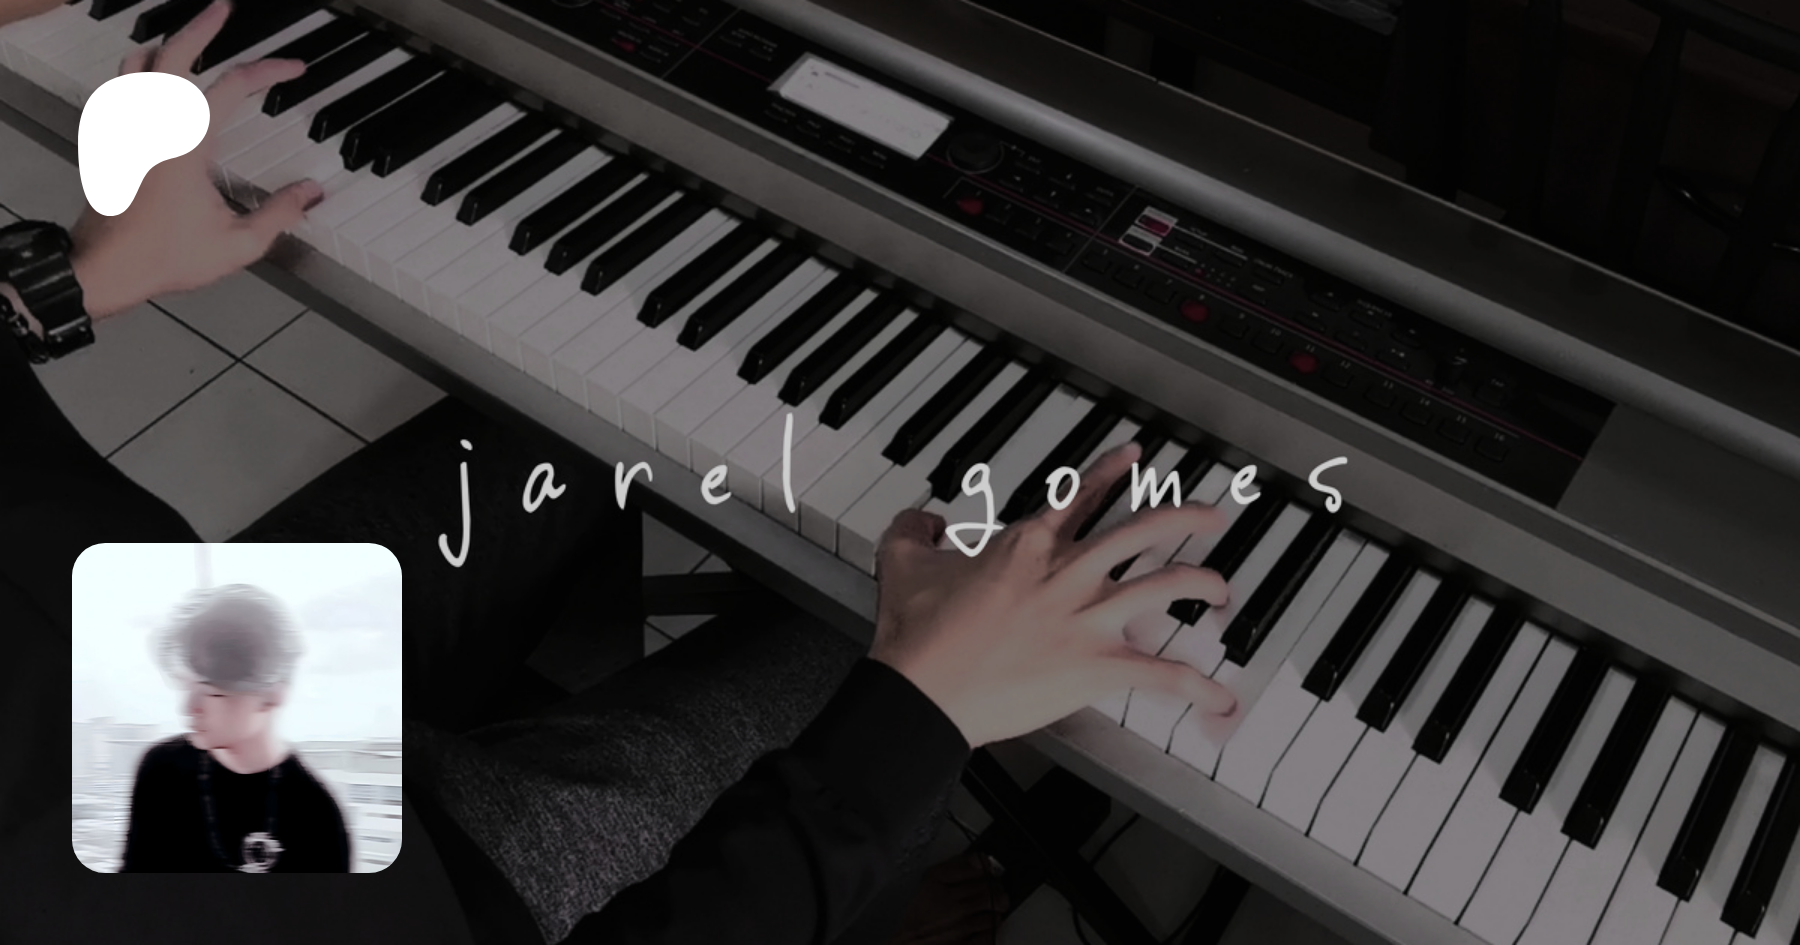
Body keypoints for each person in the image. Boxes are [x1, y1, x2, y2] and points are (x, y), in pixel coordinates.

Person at [0, 2, 1239, 942]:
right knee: (901, 610)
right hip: (409, 894)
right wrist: (917, 716)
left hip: (153, 657)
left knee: (598, 400)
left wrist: (63, 287)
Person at [119, 584, 352, 873]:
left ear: (272, 695)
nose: (189, 707)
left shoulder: (316, 815)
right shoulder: (161, 771)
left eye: (214, 692)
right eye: (187, 686)